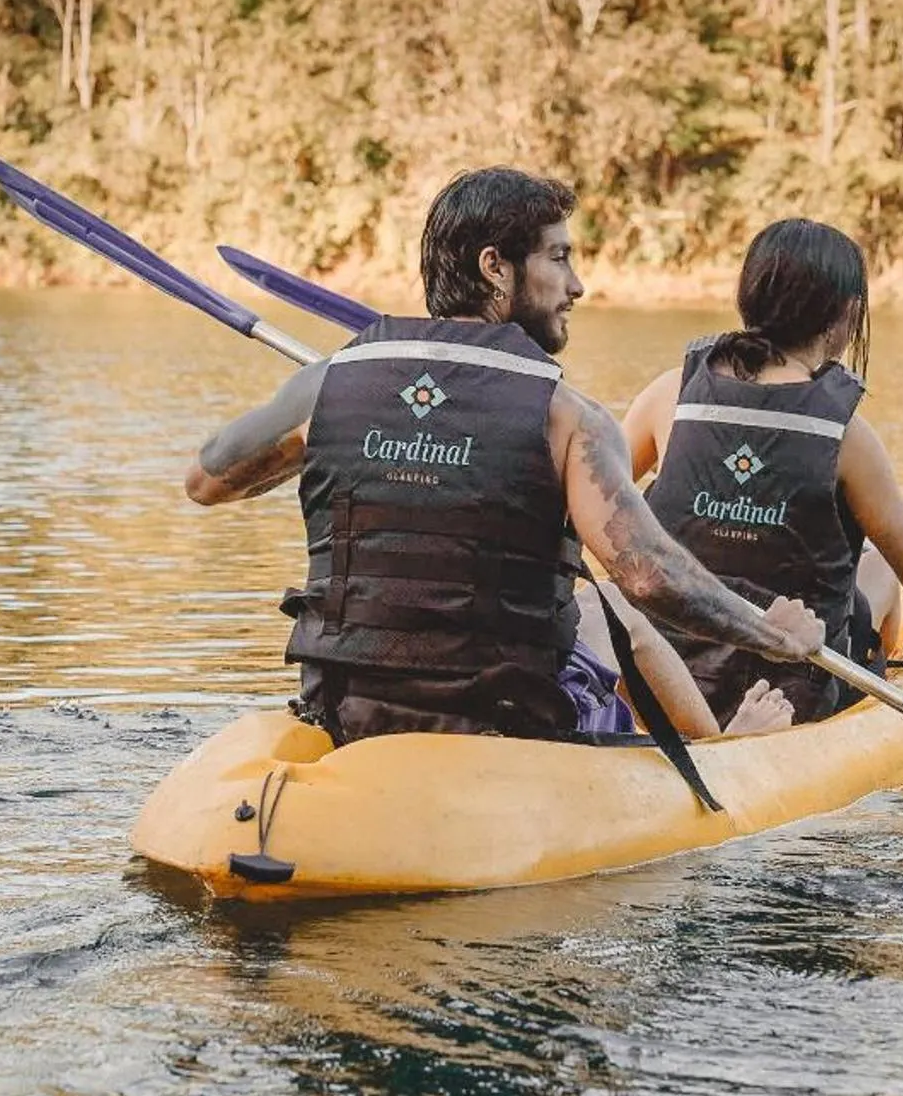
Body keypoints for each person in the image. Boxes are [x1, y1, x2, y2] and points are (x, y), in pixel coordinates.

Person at [184, 167, 818, 747]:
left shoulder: (327, 384)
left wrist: (340, 424)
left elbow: (207, 480)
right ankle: (723, 751)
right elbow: (650, 576)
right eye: (559, 258)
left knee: (598, 605)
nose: (577, 285)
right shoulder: (569, 418)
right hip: (504, 725)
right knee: (610, 607)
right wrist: (774, 636)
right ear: (495, 267)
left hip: (350, 714)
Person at [621, 218, 903, 725]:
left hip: (667, 677)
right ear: (847, 313)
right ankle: (871, 693)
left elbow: (595, 509)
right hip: (789, 692)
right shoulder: (848, 438)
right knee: (884, 568)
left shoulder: (668, 393)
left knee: (873, 566)